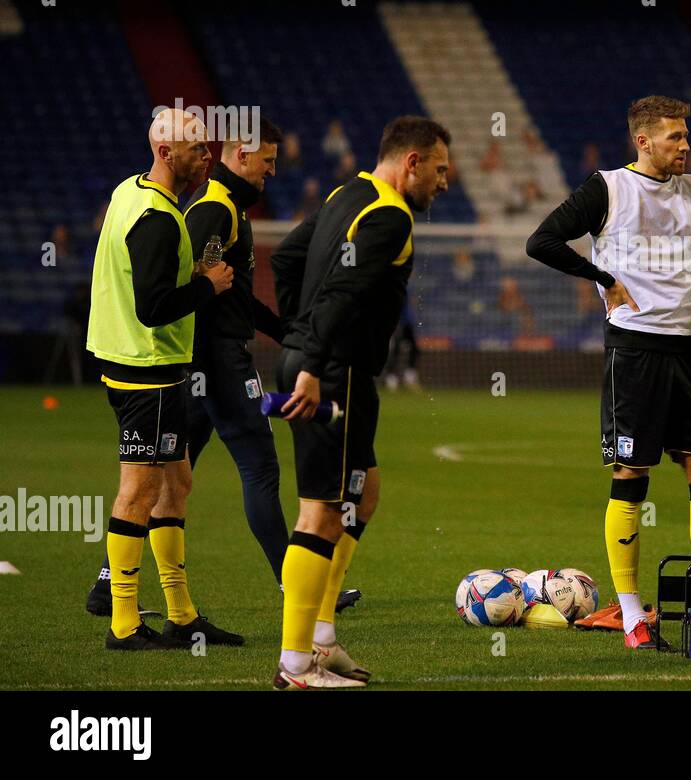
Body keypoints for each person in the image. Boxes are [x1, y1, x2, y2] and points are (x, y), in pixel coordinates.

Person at [526, 95, 691, 650]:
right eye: (675, 137)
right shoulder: (608, 188)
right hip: (633, 351)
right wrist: (602, 278)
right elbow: (542, 241)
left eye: (686, 135)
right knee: (631, 476)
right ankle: (631, 615)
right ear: (644, 141)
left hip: (686, 350)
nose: (686, 146)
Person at [269, 115, 450, 689]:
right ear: (412, 162)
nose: (445, 183)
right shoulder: (391, 215)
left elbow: (287, 259)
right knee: (319, 512)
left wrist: (297, 339)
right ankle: (295, 665)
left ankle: (321, 637)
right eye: (440, 170)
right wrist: (314, 363)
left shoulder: (347, 193)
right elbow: (345, 291)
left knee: (363, 493)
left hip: (331, 368)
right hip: (332, 374)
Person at [85, 108, 240, 650]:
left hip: (137, 363)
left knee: (176, 483)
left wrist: (189, 277)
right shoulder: (155, 216)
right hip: (145, 369)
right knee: (140, 490)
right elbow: (153, 307)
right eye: (197, 150)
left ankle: (182, 614)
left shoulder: (130, 190)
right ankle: (124, 625)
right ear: (166, 153)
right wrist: (209, 286)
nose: (208, 157)